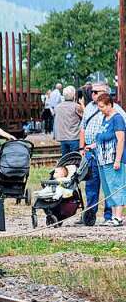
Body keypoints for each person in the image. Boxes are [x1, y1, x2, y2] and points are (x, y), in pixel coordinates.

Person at [79, 82, 126, 225]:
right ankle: (112, 216)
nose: (100, 110)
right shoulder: (104, 118)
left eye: (102, 107)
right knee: (107, 188)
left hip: (113, 158)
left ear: (109, 104)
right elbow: (100, 136)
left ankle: (118, 216)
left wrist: (118, 160)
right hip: (101, 158)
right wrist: (89, 146)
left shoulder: (117, 117)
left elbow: (120, 139)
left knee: (116, 186)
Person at [53, 85, 83, 157]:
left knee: (65, 160)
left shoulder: (58, 107)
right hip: (74, 137)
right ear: (73, 95)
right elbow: (84, 117)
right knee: (75, 160)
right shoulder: (76, 106)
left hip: (62, 138)